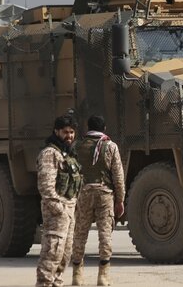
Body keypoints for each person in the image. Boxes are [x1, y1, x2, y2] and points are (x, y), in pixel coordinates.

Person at [71, 115, 125, 286]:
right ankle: (103, 275)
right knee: (105, 234)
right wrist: (120, 200)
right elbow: (118, 176)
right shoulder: (111, 146)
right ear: (105, 128)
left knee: (80, 233)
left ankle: (77, 275)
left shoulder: (77, 146)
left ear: (88, 128)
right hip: (104, 194)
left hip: (83, 193)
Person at [36, 115, 83, 287]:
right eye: (65, 132)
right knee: (52, 252)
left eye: (72, 132)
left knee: (65, 254)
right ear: (56, 132)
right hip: (57, 212)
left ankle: (56, 283)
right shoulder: (50, 154)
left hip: (69, 210)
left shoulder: (67, 153)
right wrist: (60, 210)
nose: (69, 136)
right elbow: (46, 188)